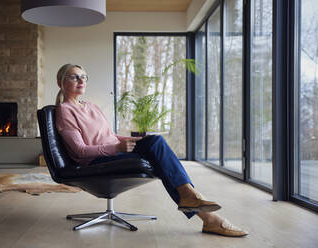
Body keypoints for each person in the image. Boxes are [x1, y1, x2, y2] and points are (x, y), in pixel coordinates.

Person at [55, 63, 248, 237]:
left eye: (83, 76)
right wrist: (117, 147)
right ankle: (204, 213)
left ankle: (195, 203)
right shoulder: (64, 111)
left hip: (113, 152)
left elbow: (111, 135)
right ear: (61, 82)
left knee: (155, 142)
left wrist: (131, 140)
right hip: (95, 161)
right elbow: (80, 151)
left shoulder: (91, 106)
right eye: (74, 76)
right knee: (158, 153)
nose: (81, 80)